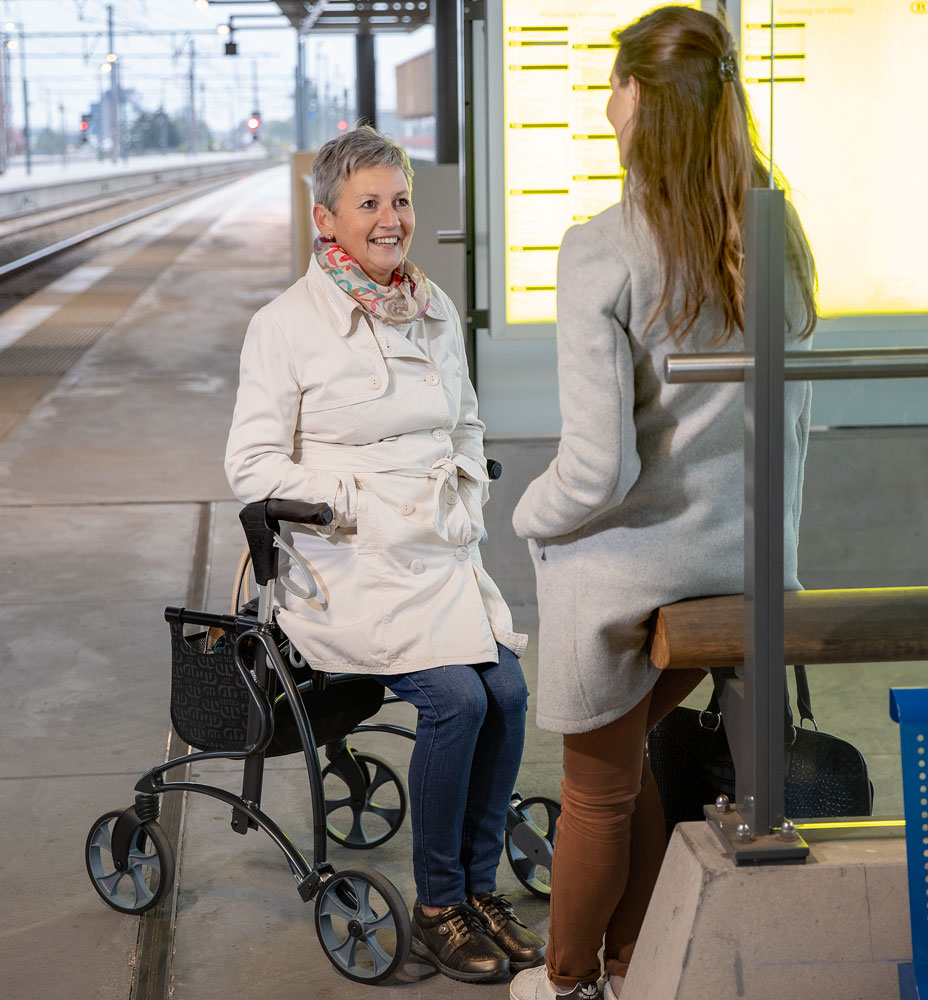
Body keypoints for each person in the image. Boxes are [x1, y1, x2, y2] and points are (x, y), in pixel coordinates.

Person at [508, 8, 817, 1000]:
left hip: (635, 566)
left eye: (613, 82)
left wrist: (529, 517)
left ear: (638, 98)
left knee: (592, 786)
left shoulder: (600, 249)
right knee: (627, 754)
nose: (606, 102)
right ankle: (637, 962)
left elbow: (595, 474)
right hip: (742, 560)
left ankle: (562, 983)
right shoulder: (772, 226)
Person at [225, 126, 544, 984]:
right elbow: (252, 465)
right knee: (455, 702)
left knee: (508, 693)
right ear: (328, 220)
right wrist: (358, 505)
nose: (390, 219)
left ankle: (478, 890)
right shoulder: (286, 325)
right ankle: (439, 906)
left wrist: (467, 495)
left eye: (399, 200)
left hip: (437, 554)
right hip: (349, 566)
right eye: (368, 204)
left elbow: (466, 422)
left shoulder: (433, 306)